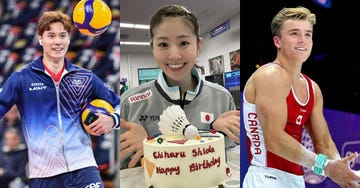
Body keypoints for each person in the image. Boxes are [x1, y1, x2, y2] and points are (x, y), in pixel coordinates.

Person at [242, 6, 360, 188]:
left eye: (308, 34)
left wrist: (342, 169)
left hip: (296, 179)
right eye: (294, 33)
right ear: (277, 41)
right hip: (265, 177)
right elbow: (273, 140)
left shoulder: (312, 88)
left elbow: (323, 141)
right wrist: (327, 167)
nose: (302, 40)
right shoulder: (270, 75)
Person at [0, 11, 120, 188]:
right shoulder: (21, 78)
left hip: (84, 169)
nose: (57, 41)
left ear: (69, 39)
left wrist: (112, 120)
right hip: (43, 175)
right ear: (40, 38)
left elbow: (119, 104)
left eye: (62, 35)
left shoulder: (85, 77)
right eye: (51, 35)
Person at [120, 4, 240, 169]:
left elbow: (229, 162)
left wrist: (214, 130)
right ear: (153, 48)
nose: (174, 55)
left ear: (198, 45)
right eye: (163, 44)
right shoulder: (130, 104)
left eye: (183, 42)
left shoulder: (221, 98)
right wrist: (148, 145)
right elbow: (120, 171)